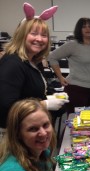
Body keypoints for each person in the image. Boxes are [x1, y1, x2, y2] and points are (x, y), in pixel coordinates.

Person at [0, 3, 68, 136]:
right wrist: (45, 104)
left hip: (30, 133)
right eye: (34, 33)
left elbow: (29, 92)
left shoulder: (32, 61)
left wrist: (52, 96)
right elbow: (7, 106)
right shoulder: (12, 63)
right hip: (13, 137)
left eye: (44, 35)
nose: (39, 39)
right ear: (22, 35)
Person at [49, 17, 90, 114]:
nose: (88, 29)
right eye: (84, 27)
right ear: (79, 29)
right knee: (75, 124)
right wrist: (60, 77)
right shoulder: (72, 45)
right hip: (77, 90)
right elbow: (52, 57)